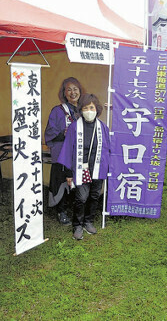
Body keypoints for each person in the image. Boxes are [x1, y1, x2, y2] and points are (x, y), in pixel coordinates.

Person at [58, 94, 110, 240]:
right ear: (81, 110)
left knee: (94, 196)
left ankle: (88, 221)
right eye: (85, 108)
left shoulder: (103, 128)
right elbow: (68, 151)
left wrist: (107, 169)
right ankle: (77, 225)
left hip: (97, 169)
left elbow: (108, 150)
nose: (89, 111)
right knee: (81, 198)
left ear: (97, 109)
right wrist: (69, 174)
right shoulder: (75, 128)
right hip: (80, 169)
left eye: (91, 107)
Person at [44, 77, 83, 225]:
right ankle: (61, 211)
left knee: (78, 182)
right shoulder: (58, 111)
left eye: (75, 89)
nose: (73, 92)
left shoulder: (83, 109)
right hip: (62, 154)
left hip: (78, 154)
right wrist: (63, 133)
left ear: (80, 91)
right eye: (69, 89)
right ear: (64, 93)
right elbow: (49, 132)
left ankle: (75, 208)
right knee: (61, 182)